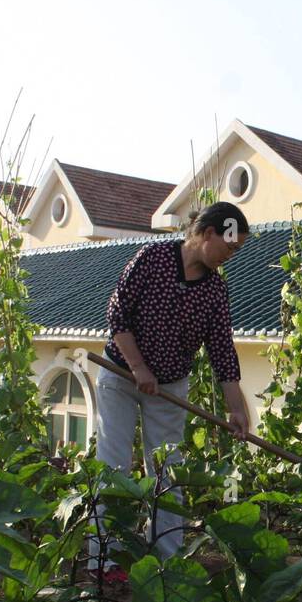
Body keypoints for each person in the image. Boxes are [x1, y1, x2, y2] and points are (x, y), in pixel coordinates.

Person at [93, 201, 251, 566]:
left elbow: (222, 352)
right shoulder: (153, 259)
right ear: (208, 233)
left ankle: (167, 561)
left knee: (168, 473)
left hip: (170, 388)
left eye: (237, 250)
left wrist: (237, 409)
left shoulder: (214, 291)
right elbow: (117, 314)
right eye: (229, 246)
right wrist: (138, 368)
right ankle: (105, 563)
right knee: (113, 468)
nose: (231, 255)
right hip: (120, 375)